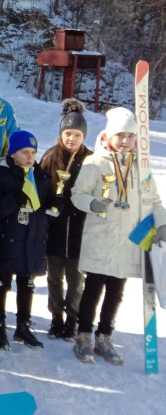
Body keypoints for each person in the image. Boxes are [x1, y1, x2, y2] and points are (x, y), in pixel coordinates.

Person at [71, 107, 166, 365]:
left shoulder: (142, 167)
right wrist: (92, 203)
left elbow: (154, 200)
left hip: (128, 240)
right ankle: (83, 335)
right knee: (93, 288)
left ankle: (104, 336)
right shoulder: (95, 162)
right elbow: (77, 194)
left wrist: (163, 222)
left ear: (137, 139)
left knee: (116, 291)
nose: (125, 141)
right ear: (108, 136)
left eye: (130, 136)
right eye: (120, 135)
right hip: (101, 237)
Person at [0, 130, 49, 351]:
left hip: (31, 239)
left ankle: (23, 325)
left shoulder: (41, 174)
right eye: (24, 152)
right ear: (12, 153)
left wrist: (55, 201)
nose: (30, 157)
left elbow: (44, 205)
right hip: (7, 238)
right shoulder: (0, 174)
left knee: (27, 284)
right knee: (1, 284)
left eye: (33, 152)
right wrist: (14, 200)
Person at [40, 99, 91, 341]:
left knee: (76, 280)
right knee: (54, 277)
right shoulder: (51, 156)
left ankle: (73, 318)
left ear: (84, 136)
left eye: (77, 135)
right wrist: (48, 203)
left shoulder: (91, 160)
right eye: (67, 133)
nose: (71, 139)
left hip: (81, 231)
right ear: (61, 133)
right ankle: (56, 317)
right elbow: (39, 185)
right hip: (55, 229)